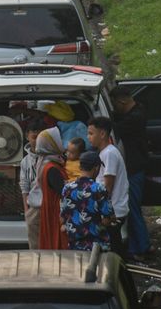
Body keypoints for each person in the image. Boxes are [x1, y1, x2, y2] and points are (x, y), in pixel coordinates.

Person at [109, 85, 151, 257]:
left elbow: (114, 127)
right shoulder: (138, 110)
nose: (114, 109)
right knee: (133, 208)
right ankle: (139, 244)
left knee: (132, 209)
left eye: (115, 105)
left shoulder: (135, 118)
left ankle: (141, 247)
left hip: (133, 169)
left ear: (123, 100)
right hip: (134, 166)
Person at [87, 116, 129, 257]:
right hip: (112, 209)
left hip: (113, 210)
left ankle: (118, 275)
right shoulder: (105, 152)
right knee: (114, 246)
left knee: (114, 250)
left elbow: (108, 186)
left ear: (103, 134)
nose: (88, 137)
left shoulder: (109, 154)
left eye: (91, 133)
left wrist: (103, 212)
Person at [61, 150, 115, 251]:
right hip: (97, 246)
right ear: (96, 168)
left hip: (74, 246)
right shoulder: (99, 189)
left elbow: (63, 218)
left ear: (80, 167)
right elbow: (108, 218)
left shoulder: (67, 188)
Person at [34, 127, 68, 250]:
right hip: (56, 210)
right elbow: (63, 190)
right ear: (51, 144)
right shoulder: (52, 168)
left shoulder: (48, 163)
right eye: (58, 139)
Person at [19, 119, 46, 249]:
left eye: (41, 137)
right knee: (34, 243)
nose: (37, 141)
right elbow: (24, 187)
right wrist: (27, 211)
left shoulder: (51, 157)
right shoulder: (25, 162)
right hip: (33, 207)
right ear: (27, 137)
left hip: (49, 205)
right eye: (34, 137)